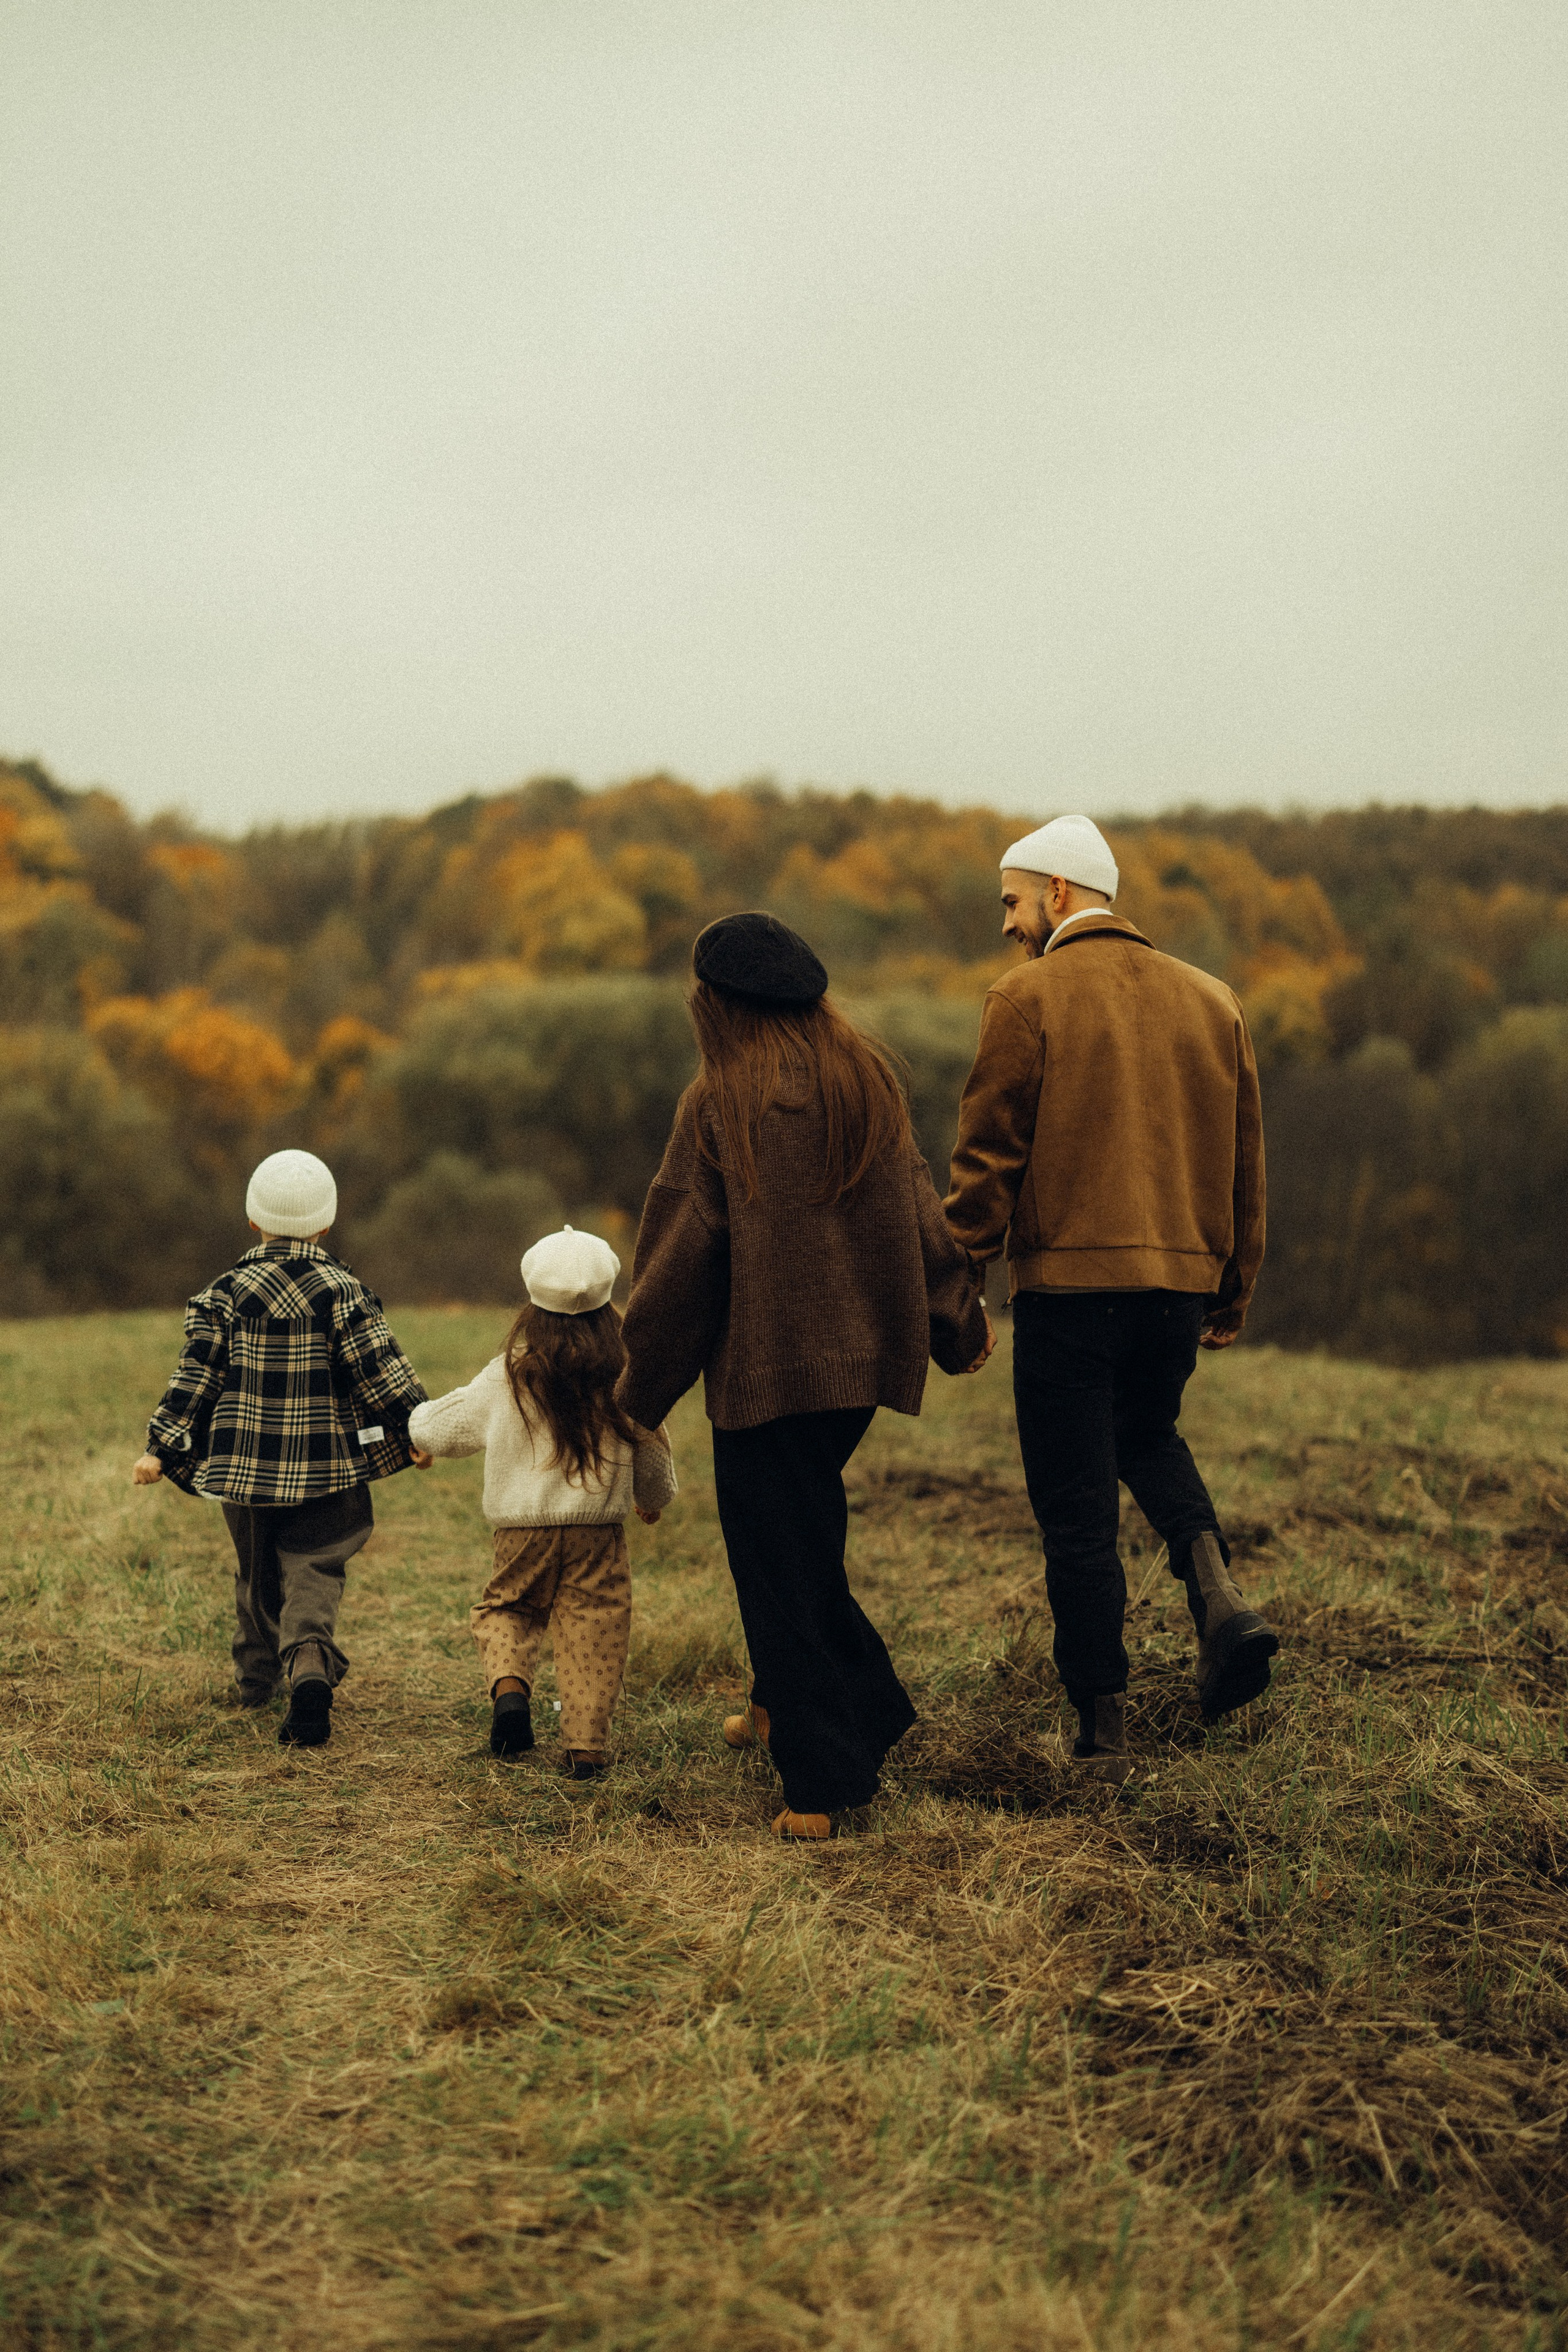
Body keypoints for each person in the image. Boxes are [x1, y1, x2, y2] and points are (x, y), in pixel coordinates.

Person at [617, 911, 992, 1842]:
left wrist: (634, 1390)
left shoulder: (719, 1101)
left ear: (719, 1006)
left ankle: (827, 1782)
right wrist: (957, 1319)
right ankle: (785, 1702)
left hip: (765, 1372)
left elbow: (679, 1259)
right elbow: (919, 1207)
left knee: (776, 1563)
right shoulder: (864, 1080)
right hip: (862, 1368)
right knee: (803, 1533)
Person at [943, 814, 1278, 1783]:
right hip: (1176, 1288)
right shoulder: (1214, 1000)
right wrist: (1231, 1287)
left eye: (1011, 899)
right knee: (1148, 1436)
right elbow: (1245, 1162)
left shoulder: (1026, 996)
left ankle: (1102, 1729)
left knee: (1077, 1513)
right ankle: (1215, 1592)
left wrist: (955, 1284)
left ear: (1057, 893)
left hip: (1070, 1292)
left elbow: (986, 1162)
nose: (1005, 922)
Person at [130, 1148, 430, 1748]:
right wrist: (414, 1426)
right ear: (326, 1225)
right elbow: (380, 1374)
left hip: (243, 1475)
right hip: (329, 1470)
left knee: (256, 1570)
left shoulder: (223, 1295)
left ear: (252, 1221)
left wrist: (160, 1447)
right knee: (315, 1567)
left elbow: (196, 1378)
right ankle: (310, 1665)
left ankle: (255, 1681)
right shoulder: (344, 1292)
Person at [408, 1226, 676, 1774]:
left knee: (508, 1608)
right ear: (608, 1302)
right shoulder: (625, 1372)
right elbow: (651, 1442)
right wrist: (652, 1498)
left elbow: (443, 1424)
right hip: (597, 1534)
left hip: (519, 1531)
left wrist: (417, 1433)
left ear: (533, 1301)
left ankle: (510, 1692)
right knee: (596, 1627)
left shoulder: (510, 1372)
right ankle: (585, 1748)